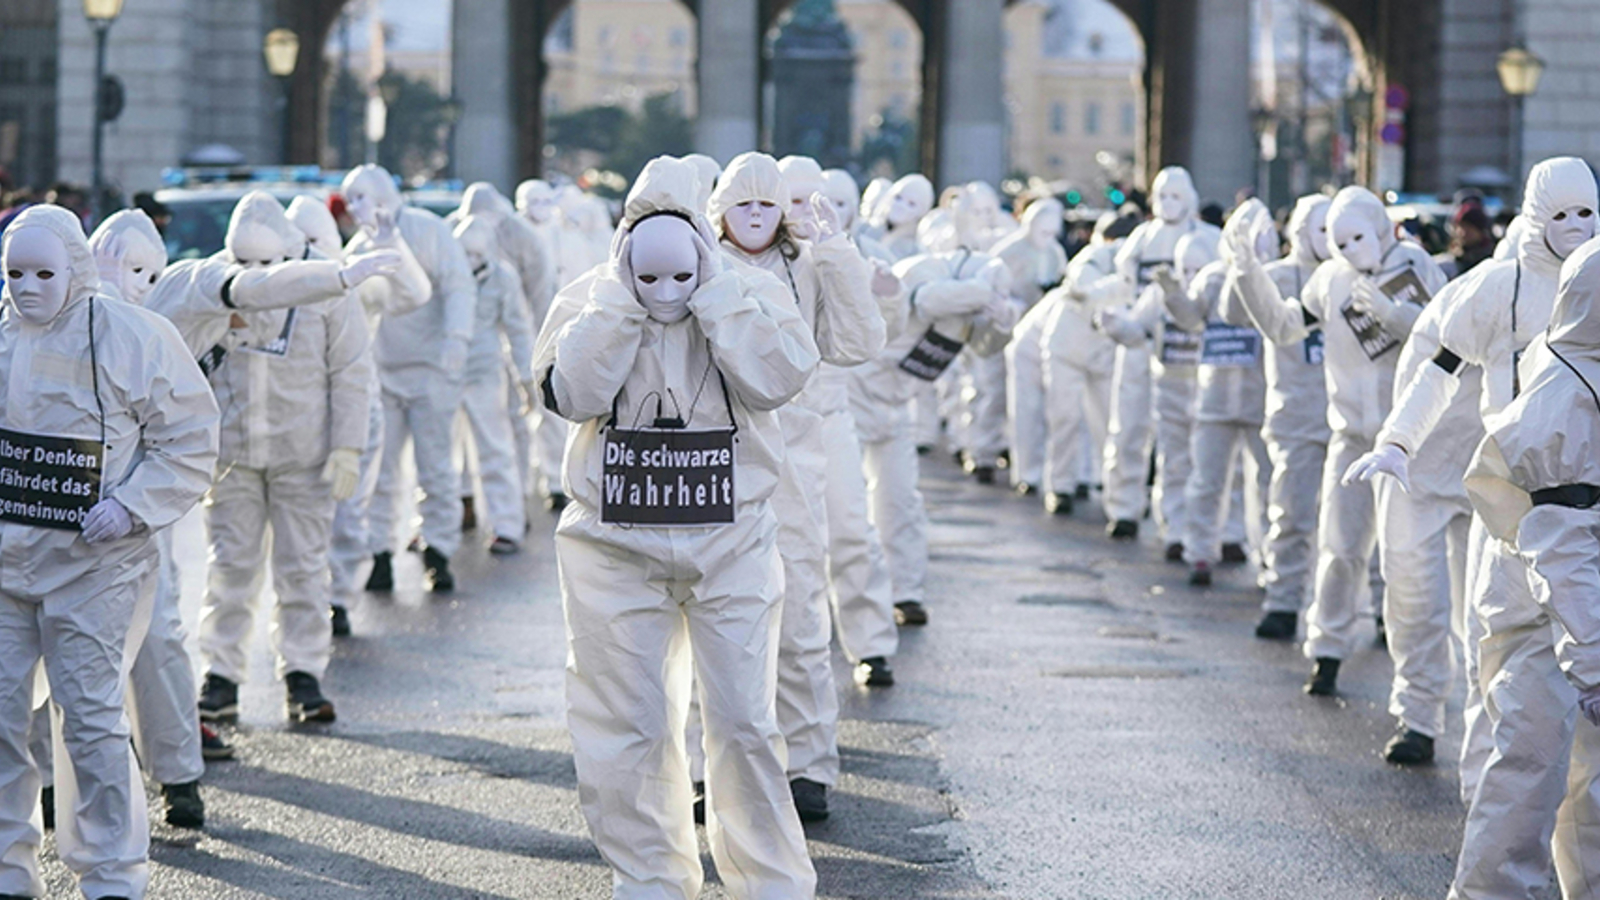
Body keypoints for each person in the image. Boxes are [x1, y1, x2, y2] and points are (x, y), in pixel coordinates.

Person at [533, 156, 820, 900]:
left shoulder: (749, 293)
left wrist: (718, 295)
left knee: (744, 724)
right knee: (624, 723)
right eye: (650, 272)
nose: (666, 292)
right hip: (613, 544)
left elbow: (780, 377)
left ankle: (771, 882)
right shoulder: (588, 301)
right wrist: (619, 304)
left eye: (677, 274)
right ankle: (650, 879)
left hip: (732, 541)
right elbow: (570, 391)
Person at [1349, 158, 1599, 874]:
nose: (1577, 230)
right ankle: (1487, 844)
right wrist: (1399, 440)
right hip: (1520, 514)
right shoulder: (1500, 285)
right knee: (1512, 701)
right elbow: (1439, 361)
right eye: (1562, 216)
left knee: (1579, 740)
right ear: (1533, 215)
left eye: (1588, 214)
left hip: (1576, 512)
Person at [0, 204, 219, 900]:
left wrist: (130, 506)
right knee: (1, 717)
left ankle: (113, 877)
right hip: (5, 566)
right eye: (14, 273)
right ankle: (8, 869)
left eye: (43, 272)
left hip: (95, 568)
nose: (28, 287)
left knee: (91, 721)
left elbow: (188, 437)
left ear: (78, 268)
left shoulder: (132, 336)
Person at [711, 152, 883, 820]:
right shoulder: (696, 262)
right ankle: (712, 766)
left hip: (793, 456)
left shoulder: (806, 265)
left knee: (802, 611)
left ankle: (809, 762)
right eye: (742, 203)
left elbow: (860, 339)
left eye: (767, 203)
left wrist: (836, 251)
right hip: (714, 458)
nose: (756, 216)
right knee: (715, 620)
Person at [1230, 185, 1446, 696]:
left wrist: (1399, 318)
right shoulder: (1329, 280)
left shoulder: (1416, 263)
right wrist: (1247, 271)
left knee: (1412, 562)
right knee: (1340, 547)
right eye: (1337, 239)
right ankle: (1326, 650)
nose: (1348, 249)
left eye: (1356, 237)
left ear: (1381, 227)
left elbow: (1448, 342)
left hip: (1412, 441)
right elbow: (1284, 328)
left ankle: (1417, 695)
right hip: (1350, 438)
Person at [189, 192, 373, 725]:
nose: (255, 277)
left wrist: (347, 447)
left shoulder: (326, 287)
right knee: (229, 567)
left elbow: (352, 371)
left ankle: (303, 672)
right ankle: (220, 675)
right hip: (233, 456)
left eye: (266, 266)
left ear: (291, 253)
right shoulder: (215, 283)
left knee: (303, 568)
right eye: (244, 264)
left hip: (305, 453)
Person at [80, 209, 226, 831]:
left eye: (146, 273)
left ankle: (178, 775)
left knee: (157, 642)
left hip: (130, 523)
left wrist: (134, 503)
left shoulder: (149, 333)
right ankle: (59, 787)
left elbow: (186, 434)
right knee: (46, 668)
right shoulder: (24, 329)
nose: (134, 282)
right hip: (42, 526)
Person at [1463, 234, 1600, 900]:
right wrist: (1595, 663)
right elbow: (1561, 540)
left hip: (1571, 608)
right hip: (1541, 610)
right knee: (1530, 771)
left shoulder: (1579, 367)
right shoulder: (1565, 397)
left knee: (1587, 785)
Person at [849, 222, 1017, 629]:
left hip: (898, 402)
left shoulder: (973, 300)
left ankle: (905, 592)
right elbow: (926, 303)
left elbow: (984, 346)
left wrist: (1003, 320)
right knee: (847, 505)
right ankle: (841, 598)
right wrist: (983, 293)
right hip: (855, 393)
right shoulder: (923, 272)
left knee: (902, 502)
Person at [342, 165, 476, 595]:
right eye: (349, 201)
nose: (353, 208)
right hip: (383, 373)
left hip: (432, 370)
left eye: (359, 197)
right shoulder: (358, 248)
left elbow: (458, 285)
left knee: (435, 467)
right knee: (379, 472)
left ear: (382, 194)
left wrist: (456, 341)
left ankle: (438, 550)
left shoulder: (428, 231)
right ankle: (379, 553)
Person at [1225, 194, 1333, 640]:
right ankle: (1284, 601)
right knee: (1290, 516)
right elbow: (1232, 314)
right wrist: (1244, 264)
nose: (1333, 240)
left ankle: (1378, 610)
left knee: (1362, 531)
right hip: (1295, 417)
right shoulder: (1279, 277)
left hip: (1353, 422)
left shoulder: (1354, 278)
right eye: (1323, 230)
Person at [817, 167, 906, 686]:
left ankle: (871, 642)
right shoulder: (782, 257)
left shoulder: (869, 257)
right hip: (769, 419)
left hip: (834, 412)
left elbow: (884, 331)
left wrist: (888, 294)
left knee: (852, 529)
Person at [1103, 166, 1219, 540]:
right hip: (1140, 339)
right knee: (1128, 426)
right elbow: (1124, 287)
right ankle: (1123, 507)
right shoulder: (1140, 239)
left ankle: (1179, 523)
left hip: (1187, 348)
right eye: (1162, 196)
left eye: (1176, 196)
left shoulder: (1208, 238)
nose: (1169, 204)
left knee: (1186, 440)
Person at [1164, 200, 1274, 586]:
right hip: (1214, 398)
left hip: (1261, 399)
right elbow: (1191, 320)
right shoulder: (1212, 277)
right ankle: (1199, 554)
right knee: (1206, 482)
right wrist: (1172, 294)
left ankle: (1270, 562)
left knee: (1268, 485)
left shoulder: (1275, 278)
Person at [1037, 212, 1137, 512]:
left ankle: (1115, 493)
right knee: (1063, 418)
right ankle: (1061, 486)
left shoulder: (1139, 259)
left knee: (1111, 424)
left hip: (1103, 351)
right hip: (1067, 348)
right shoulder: (1094, 256)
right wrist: (1122, 287)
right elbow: (1084, 288)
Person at [452, 215, 536, 553]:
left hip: (485, 370)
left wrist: (527, 380)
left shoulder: (503, 277)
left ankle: (507, 526)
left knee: (494, 449)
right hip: (446, 368)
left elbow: (518, 329)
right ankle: (435, 524)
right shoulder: (446, 271)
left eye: (477, 255)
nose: (472, 261)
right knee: (438, 453)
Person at [994, 198, 1069, 499]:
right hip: (1011, 331)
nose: (1046, 237)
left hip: (1047, 334)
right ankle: (1025, 470)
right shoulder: (1008, 251)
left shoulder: (1055, 253)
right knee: (1020, 405)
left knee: (1052, 409)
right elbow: (991, 284)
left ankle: (1048, 471)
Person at [514, 179, 572, 511]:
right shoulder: (512, 233)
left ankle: (553, 479)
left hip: (551, 332)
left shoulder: (558, 232)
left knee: (552, 410)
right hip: (515, 331)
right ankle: (521, 483)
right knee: (515, 412)